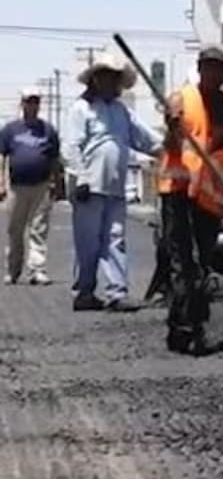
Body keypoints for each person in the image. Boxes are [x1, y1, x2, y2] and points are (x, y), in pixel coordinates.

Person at [62, 51, 164, 312]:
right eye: (108, 77)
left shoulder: (122, 112)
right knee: (88, 242)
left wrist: (169, 146)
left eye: (116, 78)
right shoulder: (81, 109)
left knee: (115, 239)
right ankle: (84, 292)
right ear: (96, 80)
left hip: (115, 187)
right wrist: (81, 176)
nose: (112, 83)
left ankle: (117, 292)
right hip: (89, 186)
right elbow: (71, 147)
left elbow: (146, 139)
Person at [158, 44, 223, 354]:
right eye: (208, 66)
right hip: (179, 194)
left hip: (209, 199)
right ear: (199, 68)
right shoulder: (181, 100)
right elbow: (169, 143)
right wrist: (171, 126)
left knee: (203, 265)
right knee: (185, 264)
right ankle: (188, 329)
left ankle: (188, 324)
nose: (213, 73)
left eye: (219, 68)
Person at [0, 87, 61, 285]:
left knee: (39, 229)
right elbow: (2, 157)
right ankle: (13, 270)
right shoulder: (10, 130)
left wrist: (56, 183)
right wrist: (1, 182)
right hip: (17, 186)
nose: (32, 105)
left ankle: (37, 270)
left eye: (36, 101)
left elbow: (54, 159)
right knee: (15, 230)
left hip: (41, 186)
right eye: (29, 101)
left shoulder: (48, 130)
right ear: (22, 104)